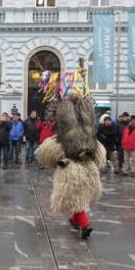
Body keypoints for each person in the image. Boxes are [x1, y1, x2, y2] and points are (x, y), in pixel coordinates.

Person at [36, 94, 106, 240]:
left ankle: (85, 224)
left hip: (72, 170)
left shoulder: (66, 136)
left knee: (77, 199)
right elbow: (99, 156)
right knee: (78, 198)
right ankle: (76, 220)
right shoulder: (89, 134)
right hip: (88, 169)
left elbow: (47, 154)